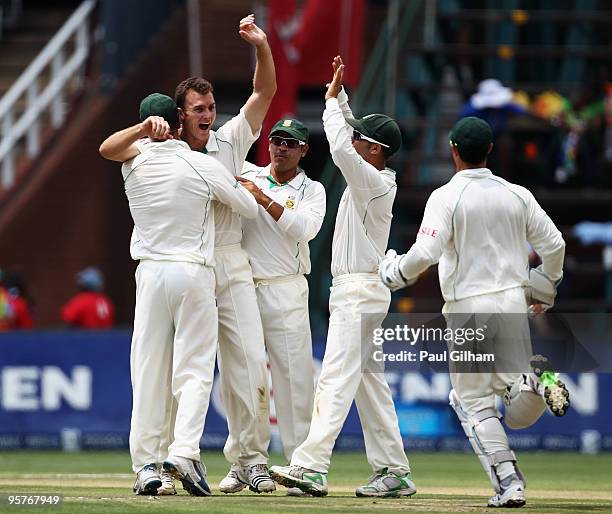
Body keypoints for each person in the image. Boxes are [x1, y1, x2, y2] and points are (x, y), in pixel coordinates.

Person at [99, 14, 277, 494]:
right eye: (198, 108)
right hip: (193, 264)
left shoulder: (227, 141)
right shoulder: (180, 158)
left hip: (226, 262)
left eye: (211, 106)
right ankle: (167, 461)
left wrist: (260, 47)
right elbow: (111, 147)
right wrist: (245, 190)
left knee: (247, 363)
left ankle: (251, 461)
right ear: (178, 116)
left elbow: (263, 95)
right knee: (180, 370)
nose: (207, 114)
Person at [378, 116, 569, 508]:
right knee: (512, 405)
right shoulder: (517, 194)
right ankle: (532, 382)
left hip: (469, 310)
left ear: (452, 150)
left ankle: (510, 484)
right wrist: (543, 288)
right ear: (491, 151)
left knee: (473, 403)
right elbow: (555, 245)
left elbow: (426, 254)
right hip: (514, 303)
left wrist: (393, 272)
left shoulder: (446, 196)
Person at [270, 56, 417, 499]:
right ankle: (394, 470)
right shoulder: (372, 173)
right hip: (360, 291)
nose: (353, 142)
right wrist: (342, 99)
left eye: (361, 140)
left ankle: (312, 466)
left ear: (375, 150)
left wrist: (331, 103)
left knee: (335, 378)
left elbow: (338, 146)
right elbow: (350, 134)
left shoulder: (373, 180)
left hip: (359, 291)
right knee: (369, 385)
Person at [237, 118, 326, 495]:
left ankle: (297, 466)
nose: (280, 148)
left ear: (304, 150)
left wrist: (263, 199)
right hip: (244, 288)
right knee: (245, 377)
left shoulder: (313, 190)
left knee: (294, 382)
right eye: (276, 141)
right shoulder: (247, 173)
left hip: (287, 288)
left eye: (290, 143)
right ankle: (246, 463)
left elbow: (303, 230)